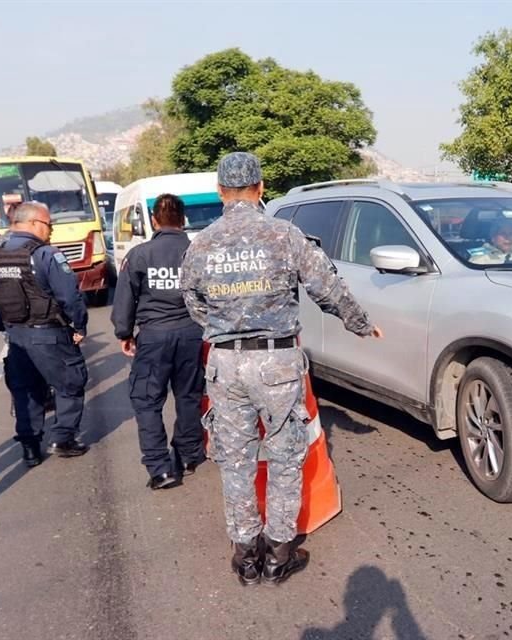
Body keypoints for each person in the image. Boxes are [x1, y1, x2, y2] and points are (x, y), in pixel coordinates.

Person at [181, 152, 383, 586]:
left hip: (225, 364)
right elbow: (328, 288)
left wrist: (224, 331)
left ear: (220, 192)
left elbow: (193, 304)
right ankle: (278, 554)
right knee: (284, 458)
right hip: (277, 363)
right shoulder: (283, 235)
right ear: (260, 187)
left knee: (235, 460)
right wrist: (362, 325)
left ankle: (245, 555)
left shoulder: (201, 244)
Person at [111, 194, 205, 491]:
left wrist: (124, 333)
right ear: (183, 219)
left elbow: (124, 298)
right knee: (188, 395)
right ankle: (190, 455)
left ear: (154, 220)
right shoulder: (197, 251)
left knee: (147, 400)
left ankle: (160, 469)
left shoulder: (140, 254)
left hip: (154, 337)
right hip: (192, 333)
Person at [0, 202, 90, 468]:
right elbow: (70, 296)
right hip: (49, 334)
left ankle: (30, 447)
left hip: (16, 336)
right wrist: (79, 326)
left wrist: (4, 327)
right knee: (70, 383)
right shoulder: (46, 255)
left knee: (26, 391)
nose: (51, 230)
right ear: (33, 223)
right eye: (48, 225)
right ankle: (62, 438)